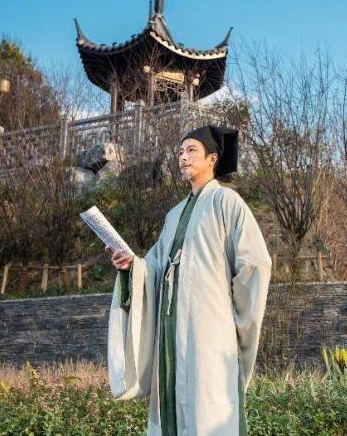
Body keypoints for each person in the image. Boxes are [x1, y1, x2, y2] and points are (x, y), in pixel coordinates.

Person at [105, 125, 271, 436]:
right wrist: (130, 266)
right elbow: (153, 268)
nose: (183, 157)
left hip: (209, 332)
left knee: (208, 411)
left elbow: (254, 265)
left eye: (191, 150)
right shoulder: (173, 216)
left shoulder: (227, 202)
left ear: (212, 159)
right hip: (170, 331)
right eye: (180, 152)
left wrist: (233, 320)